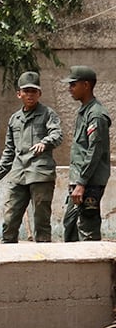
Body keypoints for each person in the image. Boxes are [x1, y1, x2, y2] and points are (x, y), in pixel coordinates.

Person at [0, 71, 61, 243]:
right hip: (18, 174)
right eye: (26, 91)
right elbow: (9, 151)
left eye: (34, 91)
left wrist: (45, 142)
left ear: (39, 93)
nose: (30, 95)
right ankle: (9, 257)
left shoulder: (48, 114)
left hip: (40, 173)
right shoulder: (14, 119)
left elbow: (57, 134)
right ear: (19, 94)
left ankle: (44, 260)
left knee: (41, 221)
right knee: (10, 219)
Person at [65, 65, 110, 242]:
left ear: (86, 85)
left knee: (87, 228)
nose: (70, 89)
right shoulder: (84, 111)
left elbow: (94, 151)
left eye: (73, 84)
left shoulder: (96, 115)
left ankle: (93, 269)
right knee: (70, 224)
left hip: (89, 182)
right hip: (79, 181)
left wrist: (82, 183)